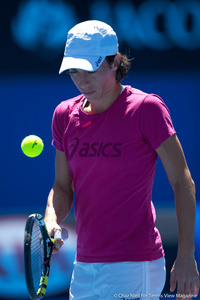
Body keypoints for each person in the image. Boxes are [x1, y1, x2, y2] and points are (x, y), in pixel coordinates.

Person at [44, 20, 199, 300]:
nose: (81, 81)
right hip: (85, 266)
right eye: (74, 72)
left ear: (115, 62)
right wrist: (52, 219)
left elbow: (182, 181)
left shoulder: (147, 109)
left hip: (135, 264)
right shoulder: (64, 115)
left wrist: (187, 254)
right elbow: (62, 186)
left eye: (89, 70)